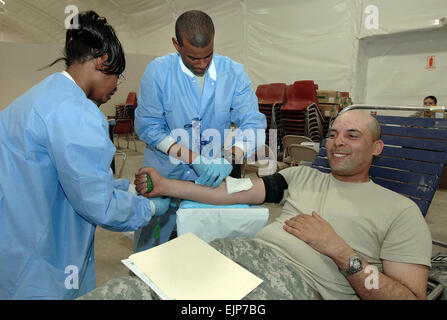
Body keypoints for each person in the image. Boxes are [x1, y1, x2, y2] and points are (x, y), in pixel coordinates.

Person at [79, 109, 432, 300]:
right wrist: (168, 186)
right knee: (129, 290)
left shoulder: (401, 211)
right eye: (333, 134)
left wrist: (340, 251)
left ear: (377, 148)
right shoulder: (302, 176)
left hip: (293, 283)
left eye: (352, 136)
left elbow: (409, 297)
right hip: (235, 255)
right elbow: (230, 191)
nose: (337, 143)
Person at [0, 11, 170, 300]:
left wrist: (126, 187)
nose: (116, 86)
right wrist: (149, 210)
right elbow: (98, 205)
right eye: (117, 75)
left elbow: (67, 180)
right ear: (102, 60)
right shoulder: (77, 113)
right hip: (44, 260)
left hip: (15, 242)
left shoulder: (37, 97)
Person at [133, 10, 267, 252]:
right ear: (176, 45)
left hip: (208, 180)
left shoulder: (233, 73)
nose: (203, 64)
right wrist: (193, 158)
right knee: (152, 246)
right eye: (194, 58)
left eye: (208, 55)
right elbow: (149, 127)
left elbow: (253, 123)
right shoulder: (158, 72)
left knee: (202, 250)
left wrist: (230, 156)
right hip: (164, 171)